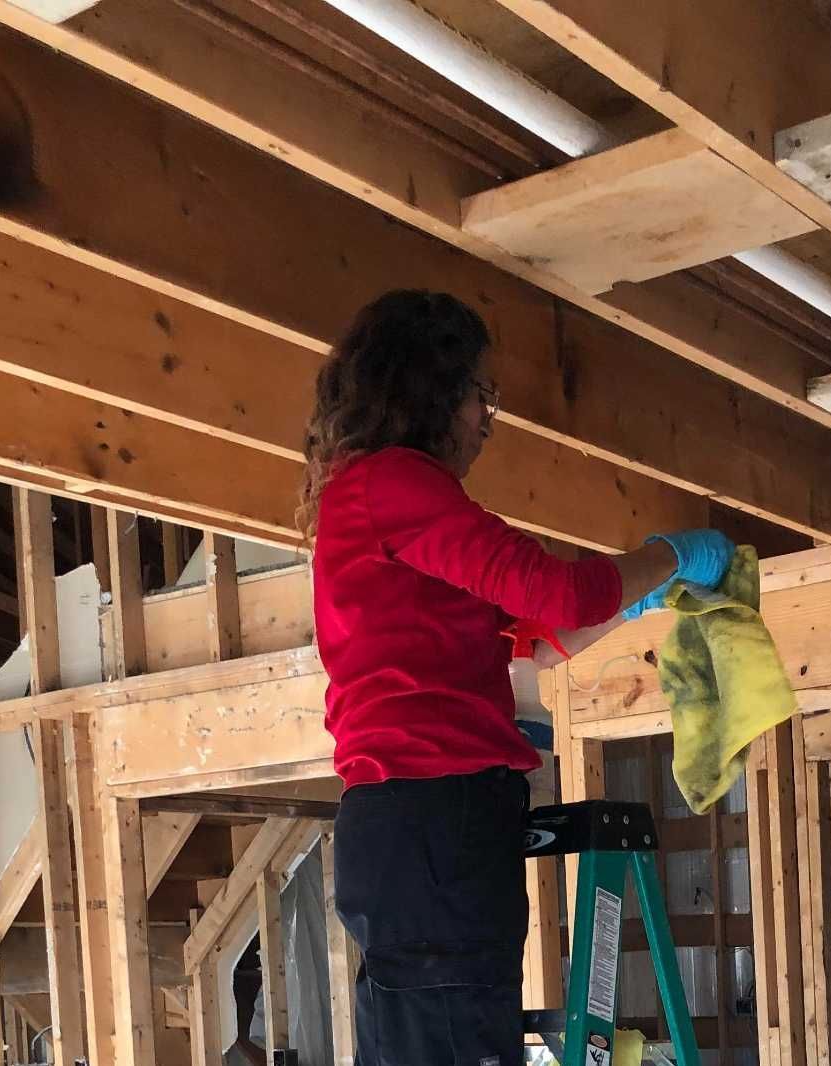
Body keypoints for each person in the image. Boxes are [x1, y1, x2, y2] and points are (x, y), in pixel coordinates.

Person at [300, 290, 733, 1066]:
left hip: (418, 826)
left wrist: (644, 593)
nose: (483, 422)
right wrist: (670, 553)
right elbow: (559, 593)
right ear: (433, 389)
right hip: (435, 817)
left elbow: (536, 636)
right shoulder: (393, 484)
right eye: (480, 396)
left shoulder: (373, 502)